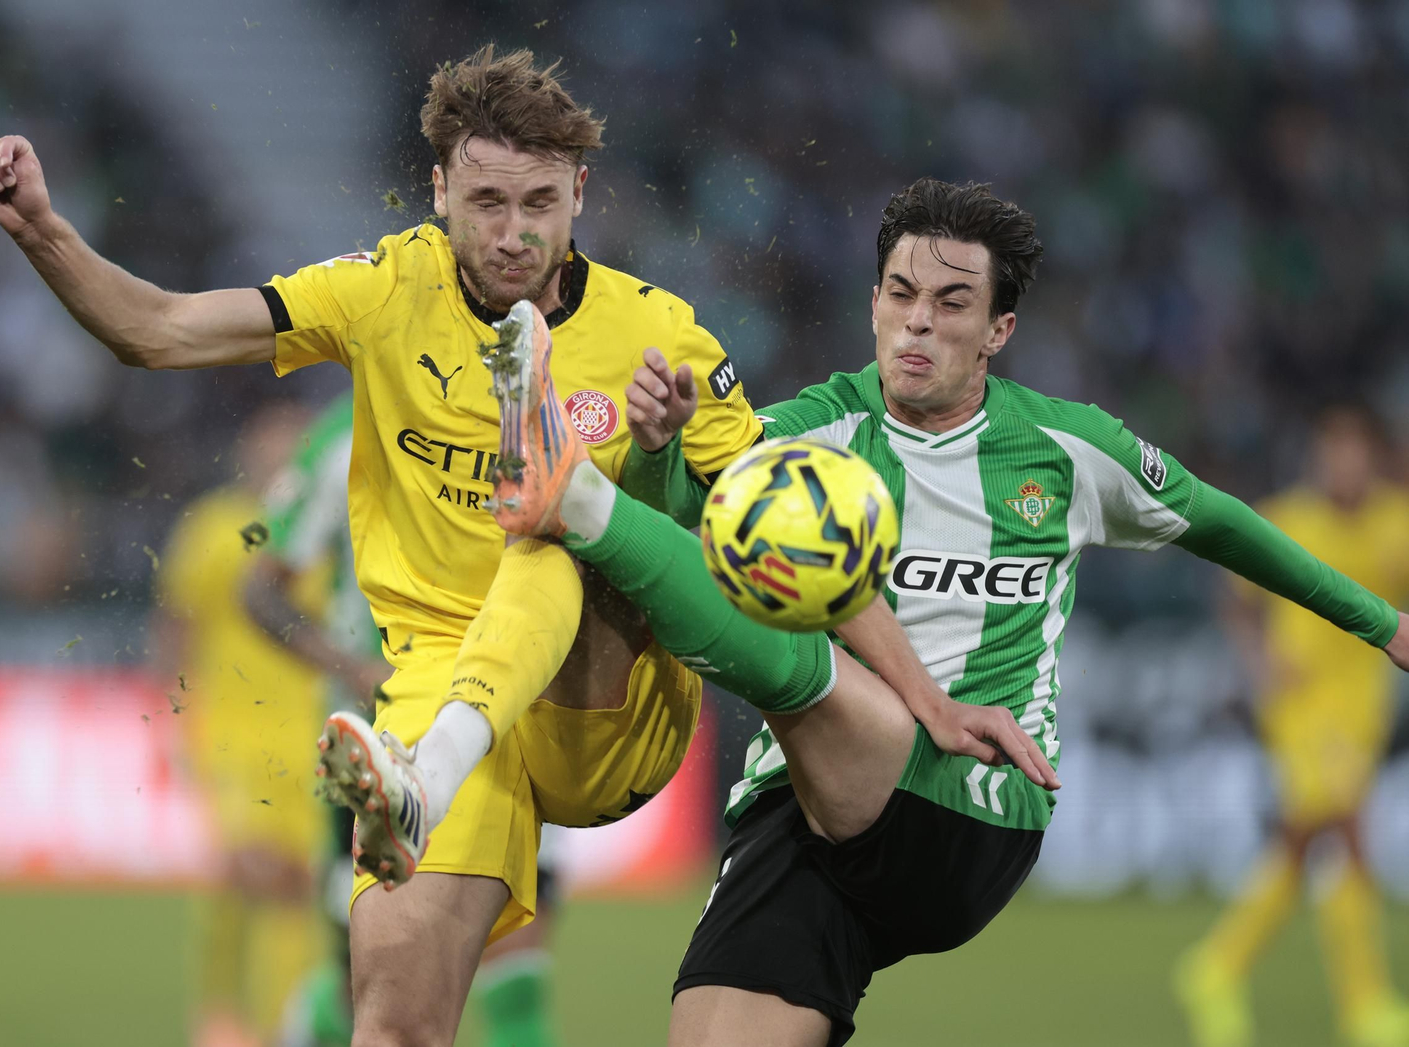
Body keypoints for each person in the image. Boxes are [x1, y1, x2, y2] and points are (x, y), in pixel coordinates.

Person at [486, 177, 1409, 1047]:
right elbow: (683, 535)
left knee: (781, 610)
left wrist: (1385, 623)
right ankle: (583, 498)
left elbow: (1226, 526)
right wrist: (653, 450)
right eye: (900, 293)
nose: (919, 321)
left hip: (973, 800)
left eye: (954, 302)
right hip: (803, 812)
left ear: (999, 328)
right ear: (874, 303)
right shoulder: (811, 430)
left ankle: (569, 493)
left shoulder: (1065, 448)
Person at [0, 45, 759, 1045]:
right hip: (433, 702)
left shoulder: (662, 335)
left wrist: (667, 469)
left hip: (602, 699)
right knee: (392, 1025)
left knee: (553, 525)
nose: (515, 233)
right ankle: (432, 767)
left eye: (540, 203)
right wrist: (42, 231)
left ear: (580, 193)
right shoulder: (384, 291)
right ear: (436, 190)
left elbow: (769, 532)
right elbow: (160, 329)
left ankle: (555, 479)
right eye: (486, 202)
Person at [246, 393, 560, 1047]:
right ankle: (316, 1024)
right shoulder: (341, 435)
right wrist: (353, 666)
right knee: (375, 990)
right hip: (376, 740)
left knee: (518, 975)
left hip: (508, 722)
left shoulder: (533, 412)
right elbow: (258, 587)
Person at [1175, 407, 1409, 1047]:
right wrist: (1259, 661)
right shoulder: (1288, 519)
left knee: (1304, 843)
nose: (1344, 465)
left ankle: (1217, 965)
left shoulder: (1396, 521)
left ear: (1374, 457)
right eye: (1333, 452)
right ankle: (1367, 1007)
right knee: (1349, 829)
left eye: (1356, 452)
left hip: (1363, 710)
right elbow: (1234, 599)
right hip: (1302, 707)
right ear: (1317, 457)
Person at [153, 404, 329, 1047]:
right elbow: (176, 627)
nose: (279, 459)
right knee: (251, 867)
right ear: (247, 454)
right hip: (230, 733)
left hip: (311, 741)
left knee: (301, 886)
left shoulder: (327, 531)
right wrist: (169, 718)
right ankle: (221, 1014)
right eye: (269, 447)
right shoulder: (213, 527)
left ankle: (282, 1022)